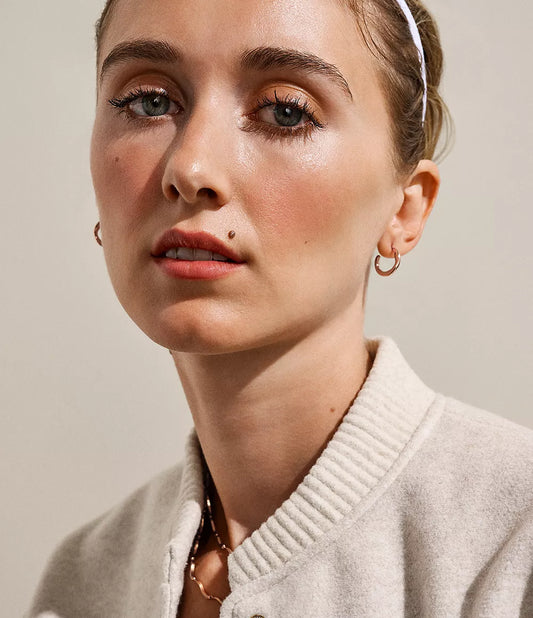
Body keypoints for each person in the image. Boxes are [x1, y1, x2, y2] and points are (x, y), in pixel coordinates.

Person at [28, 0, 533, 616]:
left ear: (405, 208)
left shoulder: (514, 544)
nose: (190, 168)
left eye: (285, 111)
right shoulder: (82, 585)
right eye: (150, 102)